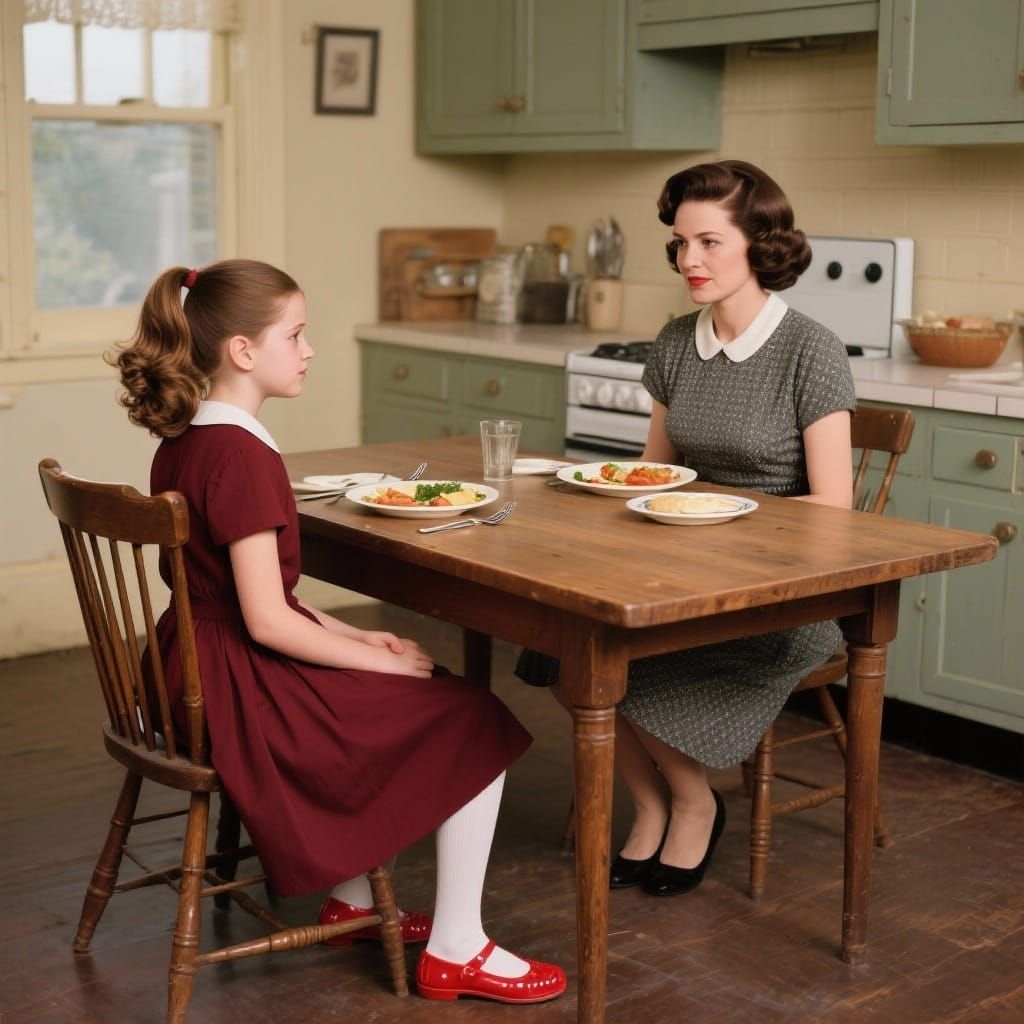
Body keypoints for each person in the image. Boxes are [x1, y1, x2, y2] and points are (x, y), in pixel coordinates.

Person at [111, 259, 566, 1005]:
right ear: (243, 352)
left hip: (188, 664)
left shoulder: (188, 438)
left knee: (391, 680)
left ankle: (353, 903)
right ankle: (457, 948)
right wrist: (373, 661)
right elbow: (264, 618)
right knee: (470, 716)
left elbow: (252, 596)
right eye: (296, 334)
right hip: (237, 685)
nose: (310, 348)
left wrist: (364, 642)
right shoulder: (245, 456)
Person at [517, 159, 855, 898]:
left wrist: (724, 513)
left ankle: (695, 803)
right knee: (561, 642)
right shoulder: (675, 341)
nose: (689, 262)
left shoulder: (810, 348)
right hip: (677, 567)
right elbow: (656, 470)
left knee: (623, 655)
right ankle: (653, 802)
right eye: (679, 245)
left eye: (709, 243)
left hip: (781, 590)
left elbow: (835, 506)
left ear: (758, 245)